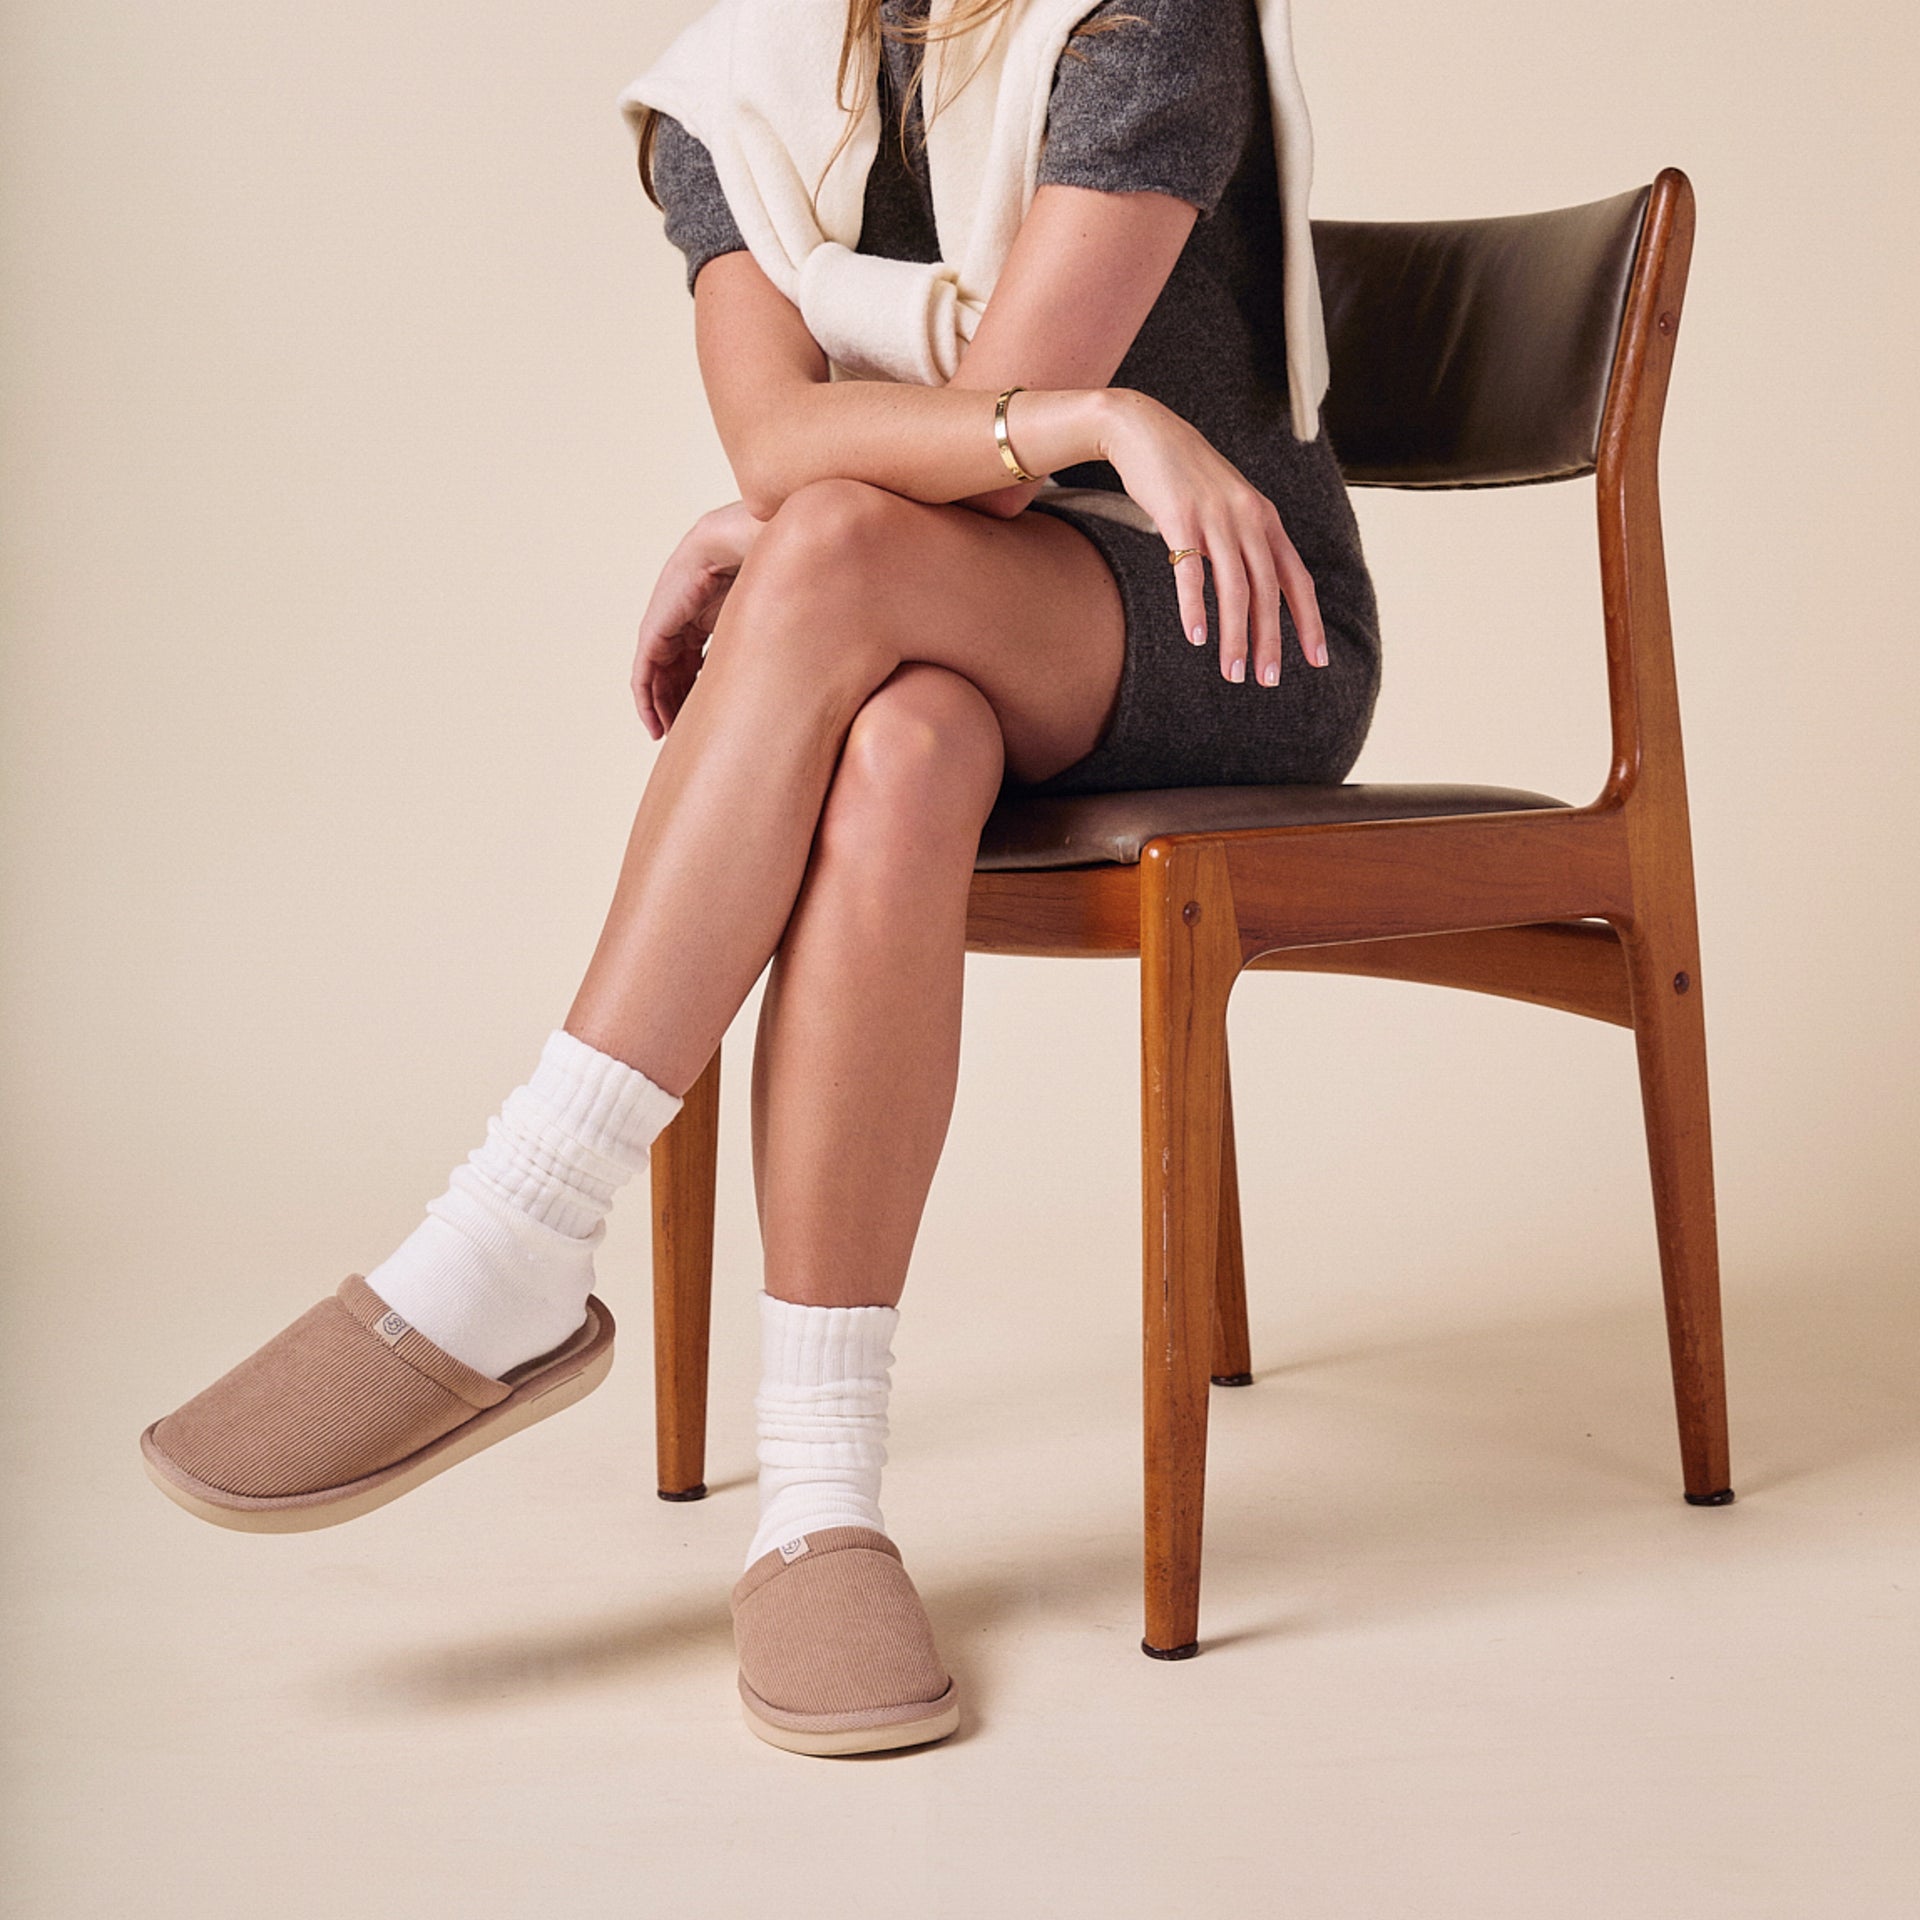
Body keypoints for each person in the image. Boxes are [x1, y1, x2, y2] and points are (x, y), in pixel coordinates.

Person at [139, 0, 1381, 1758]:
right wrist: (1058, 423)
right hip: (928, 605)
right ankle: (818, 1499)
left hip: (1224, 615)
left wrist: (883, 483)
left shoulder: (1142, 20)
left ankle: (514, 1233)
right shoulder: (737, 84)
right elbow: (783, 442)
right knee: (905, 743)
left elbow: (961, 460)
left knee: (844, 546)